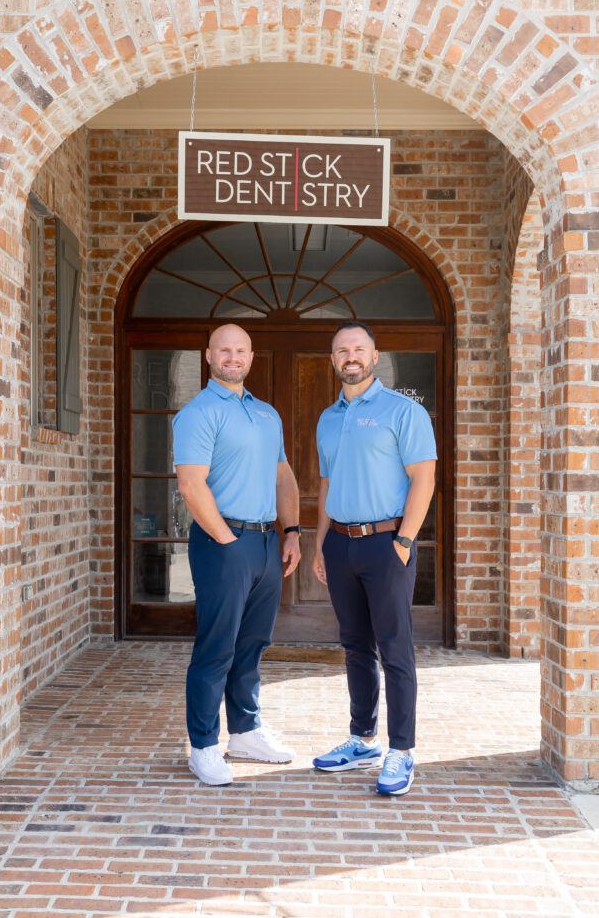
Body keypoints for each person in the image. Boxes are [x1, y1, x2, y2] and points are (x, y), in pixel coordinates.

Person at [173, 323, 301, 786]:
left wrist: (292, 532)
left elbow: (282, 475)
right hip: (223, 542)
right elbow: (191, 485)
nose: (233, 358)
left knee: (252, 644)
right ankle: (203, 746)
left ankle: (245, 732)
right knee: (217, 648)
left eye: (240, 350)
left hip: (266, 542)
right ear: (209, 355)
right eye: (224, 350)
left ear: (250, 356)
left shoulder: (267, 414)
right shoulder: (198, 413)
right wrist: (227, 540)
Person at [312, 321, 436, 796]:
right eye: (342, 350)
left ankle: (401, 750)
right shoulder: (328, 418)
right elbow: (327, 484)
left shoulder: (404, 411)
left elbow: (423, 479)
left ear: (374, 355)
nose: (351, 356)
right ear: (333, 360)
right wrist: (321, 544)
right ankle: (363, 740)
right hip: (340, 543)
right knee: (355, 645)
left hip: (387, 543)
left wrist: (404, 541)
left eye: (358, 349)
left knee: (394, 647)